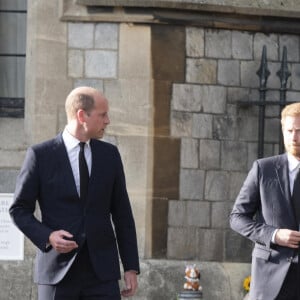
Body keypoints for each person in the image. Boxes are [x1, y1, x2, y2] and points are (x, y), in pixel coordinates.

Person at [10, 86, 140, 300]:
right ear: (82, 115)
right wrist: (48, 236)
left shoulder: (110, 156)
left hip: (102, 275)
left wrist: (131, 267)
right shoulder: (40, 155)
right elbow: (19, 210)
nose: (107, 121)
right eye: (103, 114)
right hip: (57, 274)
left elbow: (123, 214)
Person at [230, 102, 300, 300]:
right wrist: (274, 235)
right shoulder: (264, 169)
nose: (294, 137)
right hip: (270, 278)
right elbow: (237, 217)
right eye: (289, 131)